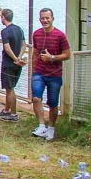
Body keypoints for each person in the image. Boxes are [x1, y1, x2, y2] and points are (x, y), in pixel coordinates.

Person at [30, 8, 70, 141]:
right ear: (39, 19)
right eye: (42, 18)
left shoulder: (60, 35)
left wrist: (52, 57)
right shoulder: (36, 34)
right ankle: (41, 125)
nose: (45, 20)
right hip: (39, 72)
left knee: (53, 103)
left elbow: (67, 54)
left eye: (47, 18)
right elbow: (35, 52)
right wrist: (33, 69)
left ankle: (51, 128)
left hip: (54, 74)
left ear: (52, 18)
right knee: (36, 98)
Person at [0, 8, 26, 122]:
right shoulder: (19, 29)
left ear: (3, 18)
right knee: (9, 87)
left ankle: (13, 114)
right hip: (17, 64)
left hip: (9, 63)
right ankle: (6, 110)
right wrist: (19, 57)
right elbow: (24, 44)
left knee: (10, 89)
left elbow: (7, 48)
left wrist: (15, 58)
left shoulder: (5, 31)